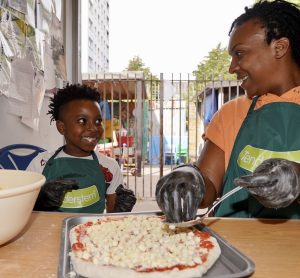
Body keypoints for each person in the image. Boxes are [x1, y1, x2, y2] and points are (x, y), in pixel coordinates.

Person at [156, 0, 300, 222]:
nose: (232, 67)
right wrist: (190, 181)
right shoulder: (230, 113)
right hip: (235, 247)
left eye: (239, 54)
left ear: (279, 48)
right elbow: (209, 184)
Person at [27, 84, 136, 213]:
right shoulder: (40, 164)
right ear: (61, 127)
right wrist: (40, 202)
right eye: (82, 120)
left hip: (93, 231)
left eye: (97, 121)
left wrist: (120, 210)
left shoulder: (110, 166)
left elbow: (112, 218)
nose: (93, 128)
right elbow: (20, 210)